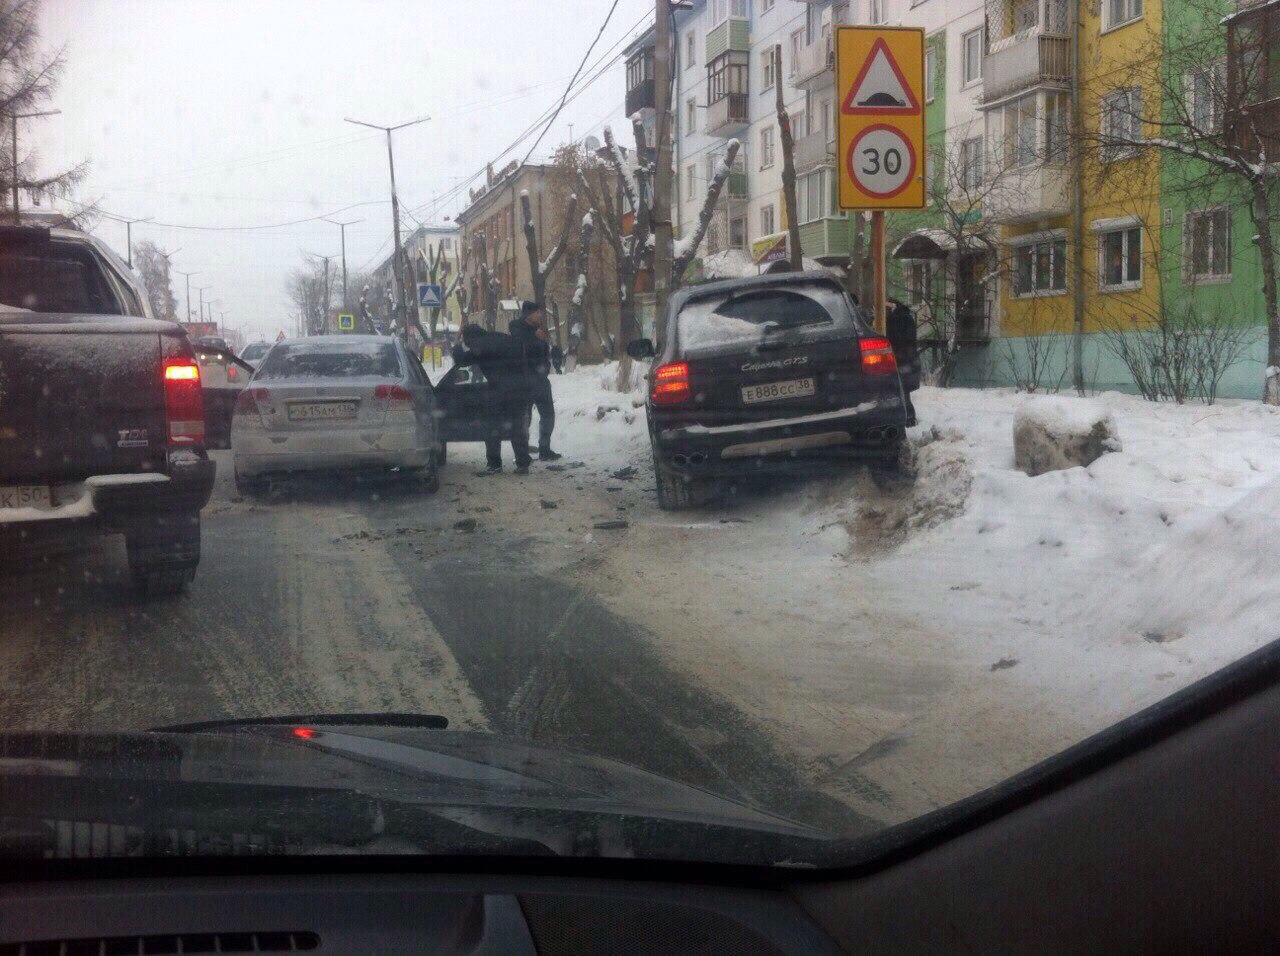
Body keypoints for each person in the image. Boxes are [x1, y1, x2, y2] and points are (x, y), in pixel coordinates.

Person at [453, 323, 534, 474]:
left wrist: (457, 343)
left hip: (499, 392)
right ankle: (523, 464)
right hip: (520, 390)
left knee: (492, 428)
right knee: (517, 427)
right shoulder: (503, 338)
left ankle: (494, 464)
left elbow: (461, 360)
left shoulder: (480, 346)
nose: (469, 346)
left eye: (467, 342)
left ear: (471, 338)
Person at [508, 301, 561, 461]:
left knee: (548, 415)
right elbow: (522, 343)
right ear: (528, 314)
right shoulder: (517, 327)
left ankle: (545, 449)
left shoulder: (539, 331)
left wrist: (551, 358)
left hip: (541, 381)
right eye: (537, 313)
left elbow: (542, 352)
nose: (540, 315)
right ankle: (522, 454)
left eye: (540, 312)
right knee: (525, 418)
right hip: (524, 382)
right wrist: (533, 334)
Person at [886, 298, 921, 393]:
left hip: (897, 355)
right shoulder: (907, 317)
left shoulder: (892, 319)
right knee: (904, 388)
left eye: (887, 307)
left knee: (898, 387)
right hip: (906, 356)